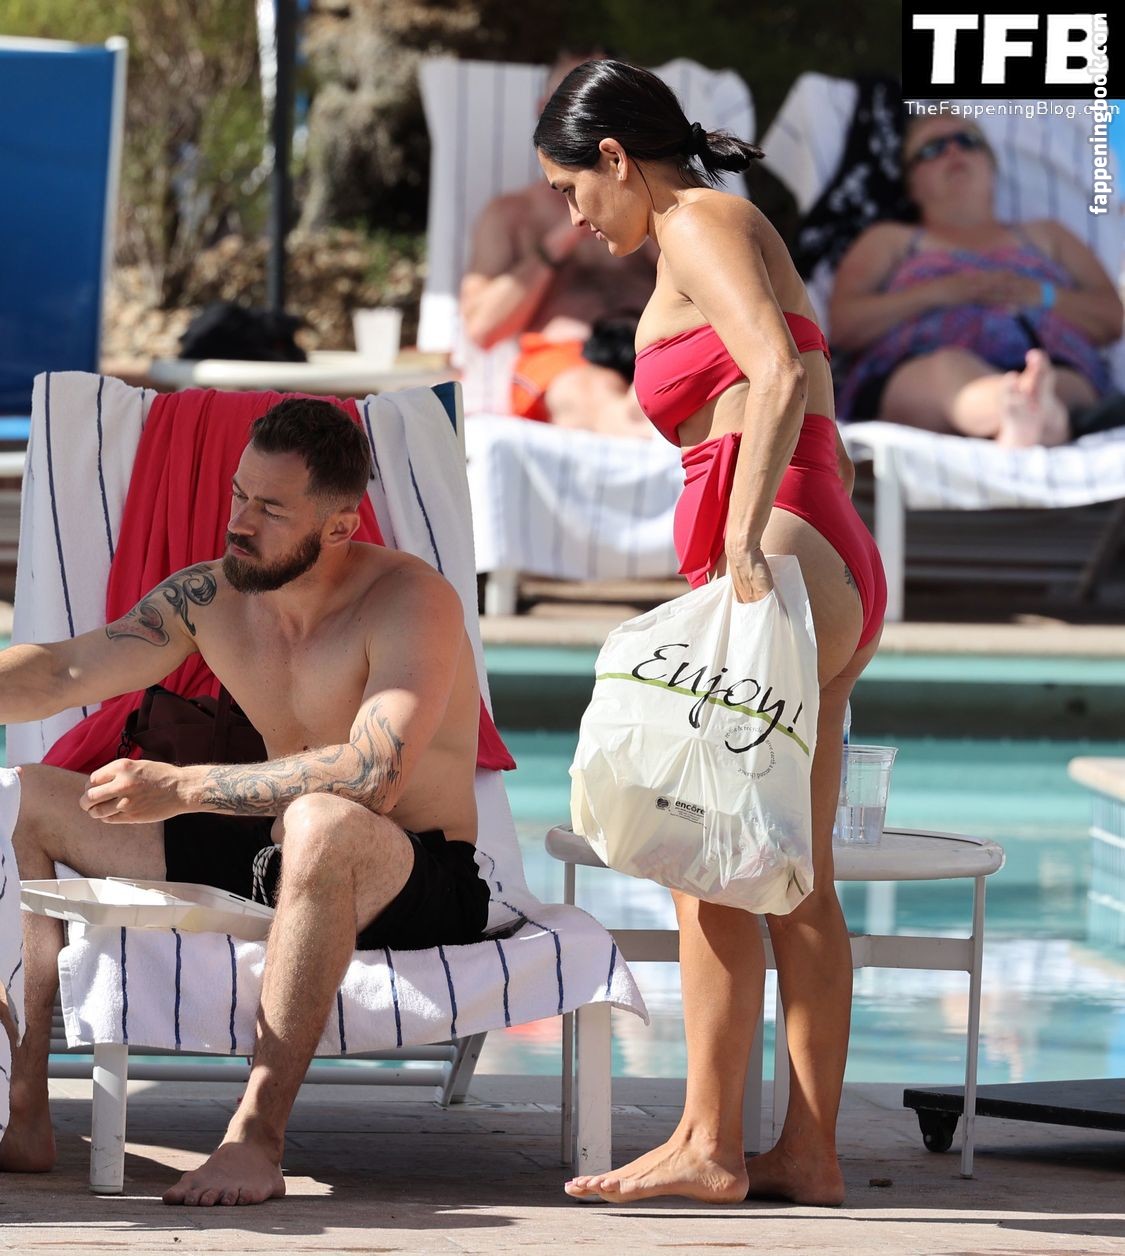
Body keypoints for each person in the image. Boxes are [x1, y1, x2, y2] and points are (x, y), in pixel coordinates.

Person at [534, 60, 886, 1207]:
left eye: (571, 188)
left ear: (616, 158)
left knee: (709, 859)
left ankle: (708, 1142)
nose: (573, 216)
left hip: (778, 548)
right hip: (820, 551)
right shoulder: (717, 229)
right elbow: (797, 399)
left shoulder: (699, 223)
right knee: (793, 873)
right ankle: (807, 1151)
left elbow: (776, 374)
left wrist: (739, 541)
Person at [0, 398, 490, 1206]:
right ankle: (22, 1112)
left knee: (322, 818)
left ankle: (256, 1138)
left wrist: (184, 787)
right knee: (24, 797)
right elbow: (65, 672)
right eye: (237, 494)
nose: (238, 522)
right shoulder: (210, 596)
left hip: (413, 874)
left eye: (270, 508)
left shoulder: (410, 601)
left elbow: (373, 774)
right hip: (273, 856)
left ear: (339, 526)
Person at [830, 115, 1124, 446]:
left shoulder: (1048, 235)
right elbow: (843, 326)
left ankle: (1029, 415)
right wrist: (937, 293)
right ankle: (1023, 409)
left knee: (1063, 383)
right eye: (933, 148)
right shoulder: (891, 240)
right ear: (911, 183)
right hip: (924, 370)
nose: (953, 151)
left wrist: (1040, 295)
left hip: (1051, 363)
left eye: (967, 141)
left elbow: (1112, 318)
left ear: (991, 167)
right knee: (947, 373)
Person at [459, 54, 657, 422]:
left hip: (653, 349)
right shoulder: (514, 215)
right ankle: (631, 425)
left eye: (604, 104)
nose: (590, 116)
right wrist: (559, 243)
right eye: (572, 99)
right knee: (590, 393)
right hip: (563, 359)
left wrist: (652, 225)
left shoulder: (655, 200)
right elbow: (483, 330)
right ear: (544, 110)